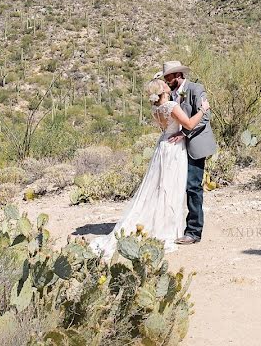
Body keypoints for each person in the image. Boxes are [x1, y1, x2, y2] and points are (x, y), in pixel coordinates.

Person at [91, 77, 209, 256]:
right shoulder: (171, 106)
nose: (167, 84)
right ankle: (168, 227)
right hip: (174, 149)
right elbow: (190, 124)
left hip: (162, 145)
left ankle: (160, 223)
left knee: (159, 187)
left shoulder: (156, 109)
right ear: (162, 89)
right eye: (164, 83)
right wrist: (203, 109)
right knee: (170, 188)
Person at [160, 60, 218, 245]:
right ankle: (175, 226)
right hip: (178, 148)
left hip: (195, 144)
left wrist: (184, 133)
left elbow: (205, 116)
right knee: (177, 187)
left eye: (168, 77)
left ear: (178, 75)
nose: (167, 80)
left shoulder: (195, 88)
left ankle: (194, 232)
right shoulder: (171, 95)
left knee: (193, 187)